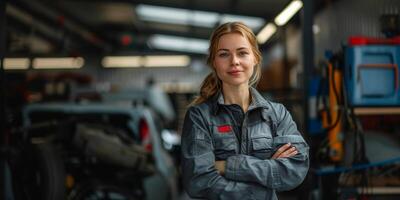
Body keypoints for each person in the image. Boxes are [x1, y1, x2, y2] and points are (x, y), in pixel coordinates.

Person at [180, 22, 309, 200]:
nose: (234, 61)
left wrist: (227, 166)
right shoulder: (200, 117)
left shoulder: (277, 114)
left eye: (242, 53)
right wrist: (265, 179)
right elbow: (198, 181)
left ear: (255, 58)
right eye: (224, 54)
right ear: (214, 62)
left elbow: (294, 169)